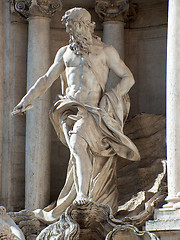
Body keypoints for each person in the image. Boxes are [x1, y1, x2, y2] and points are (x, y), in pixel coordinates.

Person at [13, 8, 140, 224]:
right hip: (69, 108)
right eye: (70, 27)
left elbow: (128, 77)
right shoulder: (65, 53)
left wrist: (111, 96)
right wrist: (27, 99)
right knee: (77, 147)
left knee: (79, 145)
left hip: (93, 110)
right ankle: (82, 194)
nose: (73, 31)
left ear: (88, 26)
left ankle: (84, 195)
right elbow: (47, 78)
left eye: (77, 26)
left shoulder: (105, 51)